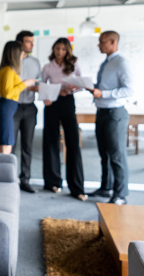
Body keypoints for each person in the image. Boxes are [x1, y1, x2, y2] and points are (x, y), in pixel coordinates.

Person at [87, 31, 134, 205]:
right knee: (104, 154)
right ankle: (106, 187)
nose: (99, 45)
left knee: (117, 155)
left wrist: (103, 93)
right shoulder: (106, 63)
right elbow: (104, 86)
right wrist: (92, 88)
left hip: (115, 114)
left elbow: (130, 90)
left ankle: (120, 194)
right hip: (102, 112)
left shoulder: (122, 63)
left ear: (113, 42)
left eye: (102, 41)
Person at [41, 38, 87, 201]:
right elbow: (42, 84)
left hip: (68, 102)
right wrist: (46, 96)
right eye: (57, 49)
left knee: (73, 142)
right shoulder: (47, 67)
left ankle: (77, 187)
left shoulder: (74, 64)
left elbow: (82, 83)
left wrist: (72, 89)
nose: (60, 52)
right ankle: (52, 182)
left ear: (68, 51)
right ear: (53, 49)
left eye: (63, 49)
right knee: (51, 141)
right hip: (52, 104)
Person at [0, 41, 37, 154]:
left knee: (6, 145)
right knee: (6, 146)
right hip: (6, 108)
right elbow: (8, 93)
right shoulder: (8, 70)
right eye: (21, 51)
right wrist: (25, 84)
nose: (23, 53)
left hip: (8, 108)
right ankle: (4, 171)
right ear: (15, 53)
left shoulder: (9, 70)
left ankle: (4, 171)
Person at [13, 30, 41, 193]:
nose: (32, 44)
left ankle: (25, 179)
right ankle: (9, 178)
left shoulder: (36, 62)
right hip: (14, 107)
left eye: (32, 41)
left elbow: (38, 82)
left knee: (27, 145)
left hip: (30, 107)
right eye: (29, 41)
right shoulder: (11, 61)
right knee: (11, 144)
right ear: (20, 43)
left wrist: (37, 87)